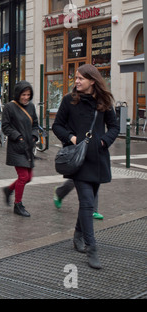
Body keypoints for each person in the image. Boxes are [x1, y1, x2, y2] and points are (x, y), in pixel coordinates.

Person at [52, 64, 119, 269]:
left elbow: (114, 127)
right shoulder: (69, 101)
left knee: (87, 204)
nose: (77, 81)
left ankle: (78, 235)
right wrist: (71, 138)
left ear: (92, 81)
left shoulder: (104, 102)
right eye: (76, 78)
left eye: (81, 78)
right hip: (79, 161)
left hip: (97, 160)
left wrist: (103, 141)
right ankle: (92, 249)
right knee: (88, 203)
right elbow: (57, 125)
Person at [1, 81, 39, 217]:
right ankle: (18, 204)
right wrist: (18, 137)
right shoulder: (9, 107)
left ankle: (9, 189)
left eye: (28, 95)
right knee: (23, 176)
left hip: (28, 147)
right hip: (16, 147)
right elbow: (5, 126)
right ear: (18, 94)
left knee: (29, 178)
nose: (26, 97)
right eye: (23, 94)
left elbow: (35, 124)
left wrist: (34, 136)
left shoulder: (31, 107)